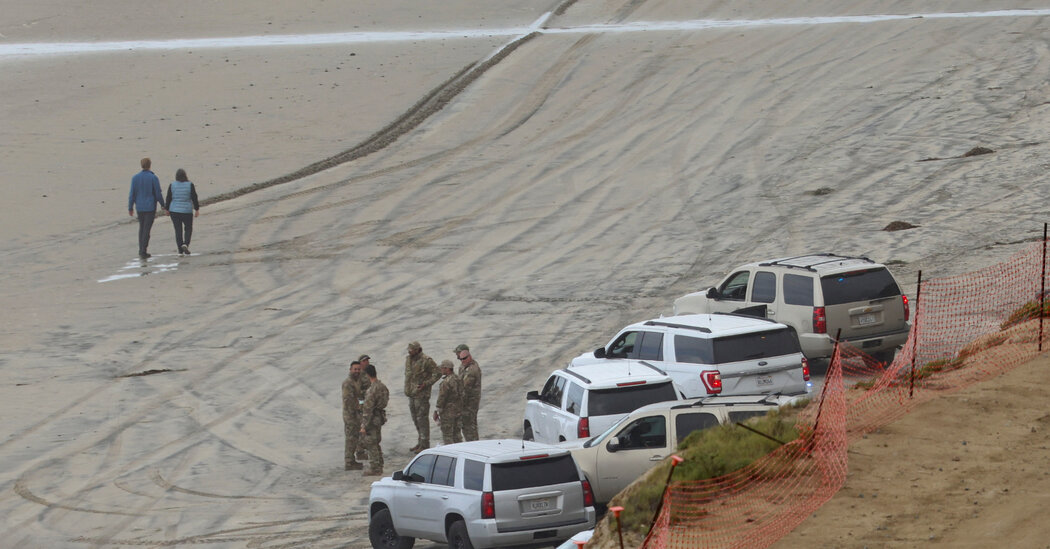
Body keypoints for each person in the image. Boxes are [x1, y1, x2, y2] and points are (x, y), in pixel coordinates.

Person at [404, 341, 440, 453]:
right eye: (409, 350)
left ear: (417, 350)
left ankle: (425, 445)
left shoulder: (426, 360)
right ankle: (420, 442)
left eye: (412, 350)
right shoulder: (409, 359)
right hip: (412, 394)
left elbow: (437, 373)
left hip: (422, 396)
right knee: (416, 419)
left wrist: (426, 383)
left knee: (422, 420)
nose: (409, 352)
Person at [127, 157, 166, 258]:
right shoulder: (153, 178)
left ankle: (141, 249)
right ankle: (143, 250)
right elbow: (158, 193)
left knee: (142, 228)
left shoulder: (135, 178)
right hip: (150, 207)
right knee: (146, 229)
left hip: (139, 207)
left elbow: (132, 194)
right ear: (150, 165)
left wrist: (130, 207)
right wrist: (163, 205)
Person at [359, 364, 388, 476]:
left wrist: (363, 426)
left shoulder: (371, 390)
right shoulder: (382, 386)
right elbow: (385, 401)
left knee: (371, 444)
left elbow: (368, 410)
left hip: (372, 419)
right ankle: (379, 465)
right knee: (376, 442)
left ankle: (375, 468)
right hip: (379, 417)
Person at [342, 360, 370, 470]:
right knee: (350, 439)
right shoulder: (348, 383)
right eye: (355, 369)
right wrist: (359, 407)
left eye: (358, 369)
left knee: (355, 438)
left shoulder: (356, 381)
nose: (357, 371)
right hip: (350, 415)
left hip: (355, 414)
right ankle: (349, 462)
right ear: (350, 370)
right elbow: (349, 400)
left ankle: (352, 460)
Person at [164, 168, 200, 256]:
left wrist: (167, 209)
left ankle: (180, 251)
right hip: (187, 211)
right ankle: (185, 244)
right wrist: (197, 209)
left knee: (178, 230)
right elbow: (194, 197)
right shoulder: (190, 185)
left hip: (174, 211)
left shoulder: (172, 185)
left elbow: (168, 198)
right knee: (188, 228)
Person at [454, 344, 482, 441]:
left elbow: (465, 389)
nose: (459, 358)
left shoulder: (472, 369)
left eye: (459, 354)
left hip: (470, 404)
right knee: (466, 427)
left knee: (470, 427)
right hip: (465, 403)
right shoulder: (463, 366)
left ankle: (474, 448)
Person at [434, 360, 463, 445]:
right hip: (458, 410)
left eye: (442, 368)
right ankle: (461, 451)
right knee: (457, 434)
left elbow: (442, 397)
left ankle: (451, 453)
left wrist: (437, 410)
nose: (441, 370)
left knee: (447, 436)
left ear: (447, 369)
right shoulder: (458, 378)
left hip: (448, 413)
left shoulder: (446, 382)